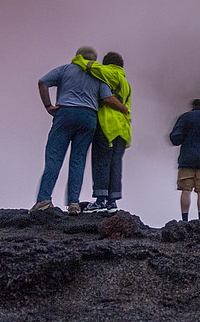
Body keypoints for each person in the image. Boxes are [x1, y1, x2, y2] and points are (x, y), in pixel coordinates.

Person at [31, 46, 128, 215]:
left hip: (65, 113)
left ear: (77, 57)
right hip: (89, 117)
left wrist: (48, 106)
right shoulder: (98, 75)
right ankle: (74, 204)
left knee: (54, 158)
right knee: (78, 160)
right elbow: (107, 97)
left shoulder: (65, 69)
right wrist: (124, 108)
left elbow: (42, 82)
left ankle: (44, 200)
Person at [71, 51, 132, 214]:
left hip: (107, 124)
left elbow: (93, 67)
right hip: (123, 129)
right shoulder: (125, 82)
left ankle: (100, 201)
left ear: (108, 64)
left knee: (101, 161)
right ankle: (112, 202)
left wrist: (79, 60)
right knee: (115, 164)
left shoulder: (110, 74)